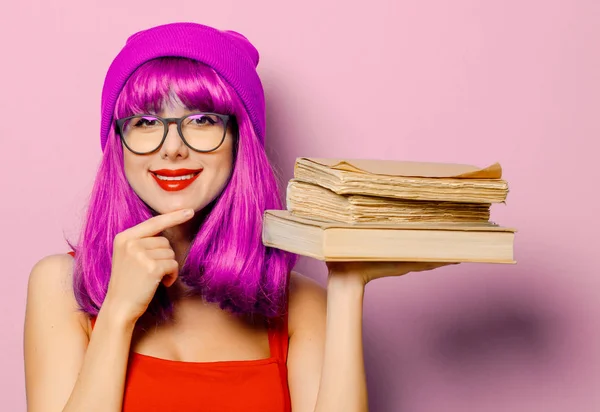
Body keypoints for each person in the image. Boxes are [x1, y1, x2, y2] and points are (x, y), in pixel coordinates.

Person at [23, 22, 449, 412]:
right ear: (118, 143)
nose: (172, 147)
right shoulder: (61, 287)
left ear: (239, 142)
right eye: (147, 121)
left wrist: (347, 285)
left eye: (203, 119)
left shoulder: (300, 306)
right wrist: (116, 313)